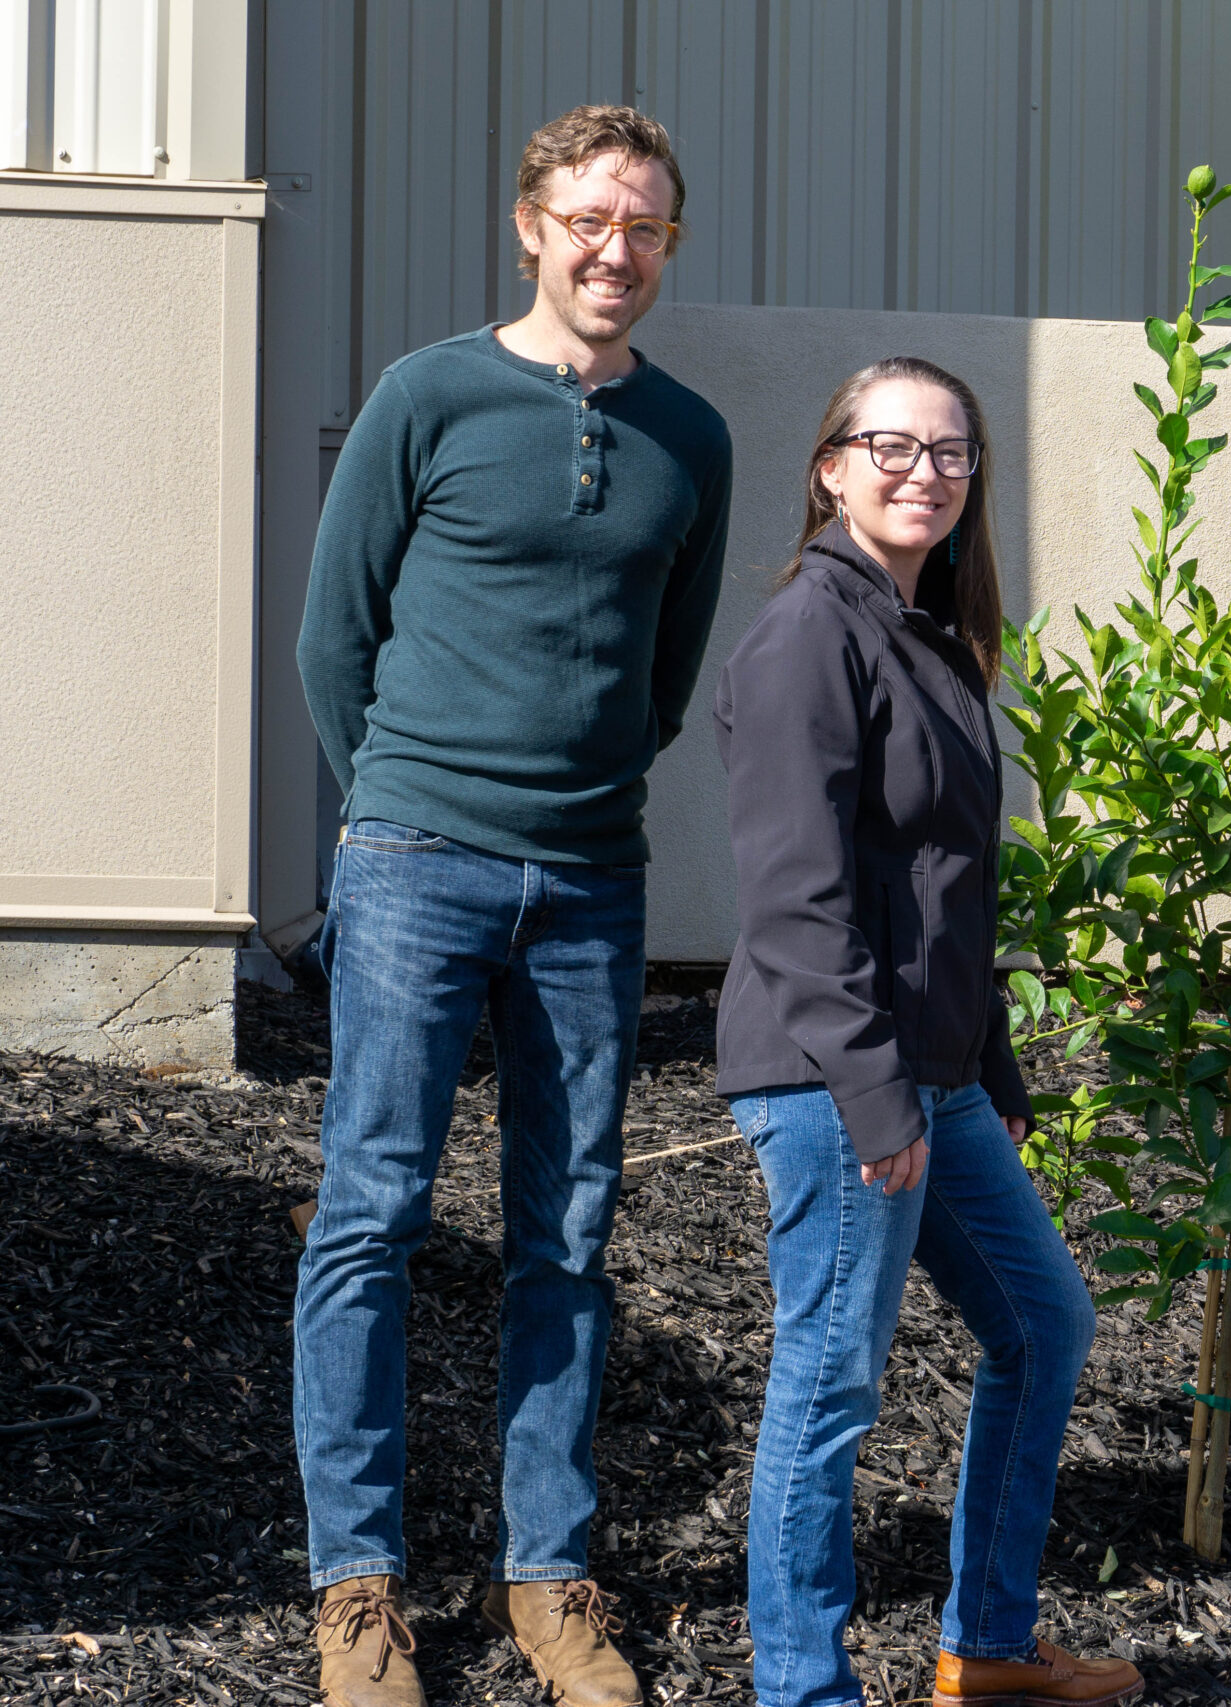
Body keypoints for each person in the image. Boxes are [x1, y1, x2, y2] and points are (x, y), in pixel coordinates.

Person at [292, 105, 731, 1707]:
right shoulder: (431, 394)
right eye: (591, 220)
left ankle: (549, 1580)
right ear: (532, 225)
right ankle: (359, 1589)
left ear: (669, 244)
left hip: (592, 881)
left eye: (649, 227)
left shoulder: (692, 437)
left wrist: (566, 802)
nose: (618, 250)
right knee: (373, 1213)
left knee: (567, 1228)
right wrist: (398, 809)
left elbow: (663, 677)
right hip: (415, 861)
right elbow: (334, 641)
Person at [715, 358, 1142, 1707]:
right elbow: (797, 899)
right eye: (890, 445)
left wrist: (988, 1057)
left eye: (952, 453)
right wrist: (877, 1096)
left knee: (1042, 1325)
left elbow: (950, 880)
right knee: (832, 1384)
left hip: (929, 1069)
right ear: (830, 467)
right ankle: (803, 1689)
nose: (924, 470)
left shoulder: (927, 636)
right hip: (839, 1077)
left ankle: (989, 1649)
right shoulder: (808, 638)